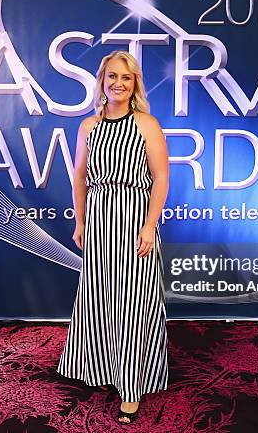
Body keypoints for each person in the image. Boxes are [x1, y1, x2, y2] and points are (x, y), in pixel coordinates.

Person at [57, 50, 170, 425]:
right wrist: (80, 222)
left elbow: (161, 179)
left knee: (136, 307)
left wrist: (151, 225)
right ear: (102, 82)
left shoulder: (147, 124)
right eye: (112, 77)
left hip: (136, 219)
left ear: (135, 83)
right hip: (99, 220)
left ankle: (132, 388)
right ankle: (105, 371)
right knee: (102, 301)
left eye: (126, 77)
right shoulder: (88, 126)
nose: (118, 83)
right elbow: (79, 177)